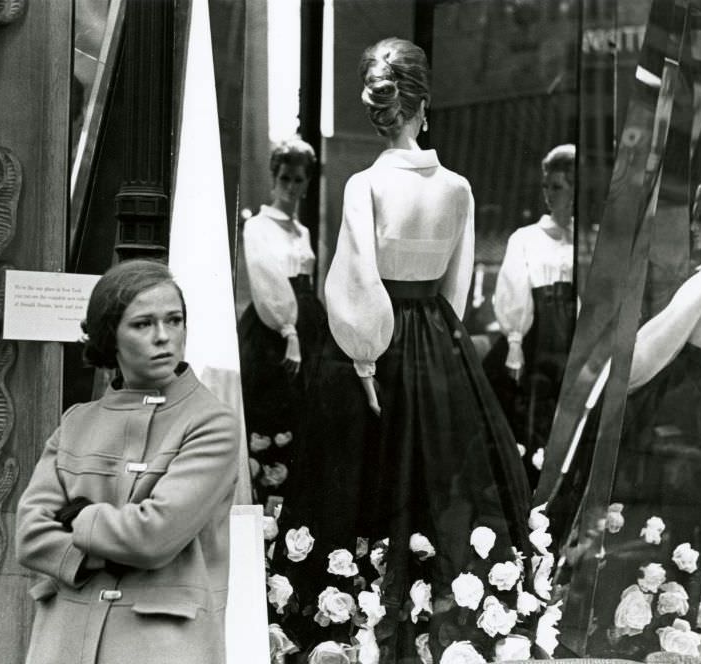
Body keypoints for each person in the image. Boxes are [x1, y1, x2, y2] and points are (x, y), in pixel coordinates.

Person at [270, 38, 536, 662]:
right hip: (438, 342)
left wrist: (364, 360)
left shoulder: (366, 185)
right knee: (434, 479)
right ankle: (439, 614)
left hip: (374, 346)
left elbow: (357, 275)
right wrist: (440, 341)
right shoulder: (461, 189)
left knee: (362, 482)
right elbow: (458, 289)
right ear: (424, 103)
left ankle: (354, 622)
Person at [16, 259, 240, 664]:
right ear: (110, 336)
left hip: (162, 647)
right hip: (63, 643)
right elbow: (30, 535)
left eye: (174, 320)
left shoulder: (212, 423)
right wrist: (106, 541)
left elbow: (154, 538)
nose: (163, 337)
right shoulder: (77, 422)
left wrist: (79, 517)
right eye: (143, 324)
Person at [582, 173, 701, 659]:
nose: (692, 227)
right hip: (694, 404)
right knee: (678, 512)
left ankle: (653, 620)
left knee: (661, 507)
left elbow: (660, 340)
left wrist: (619, 377)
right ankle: (673, 616)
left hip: (680, 404)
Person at [237, 137, 326, 504]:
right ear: (274, 178)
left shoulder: (303, 231)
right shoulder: (257, 226)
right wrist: (288, 331)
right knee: (271, 410)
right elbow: (266, 280)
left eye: (299, 180)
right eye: (286, 178)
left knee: (308, 414)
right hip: (274, 326)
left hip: (309, 322)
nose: (292, 187)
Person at [484, 144, 578, 489]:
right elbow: (512, 289)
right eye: (546, 186)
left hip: (575, 337)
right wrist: (514, 340)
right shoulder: (526, 238)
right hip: (540, 335)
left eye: (558, 186)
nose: (549, 194)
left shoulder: (587, 238)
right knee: (532, 419)